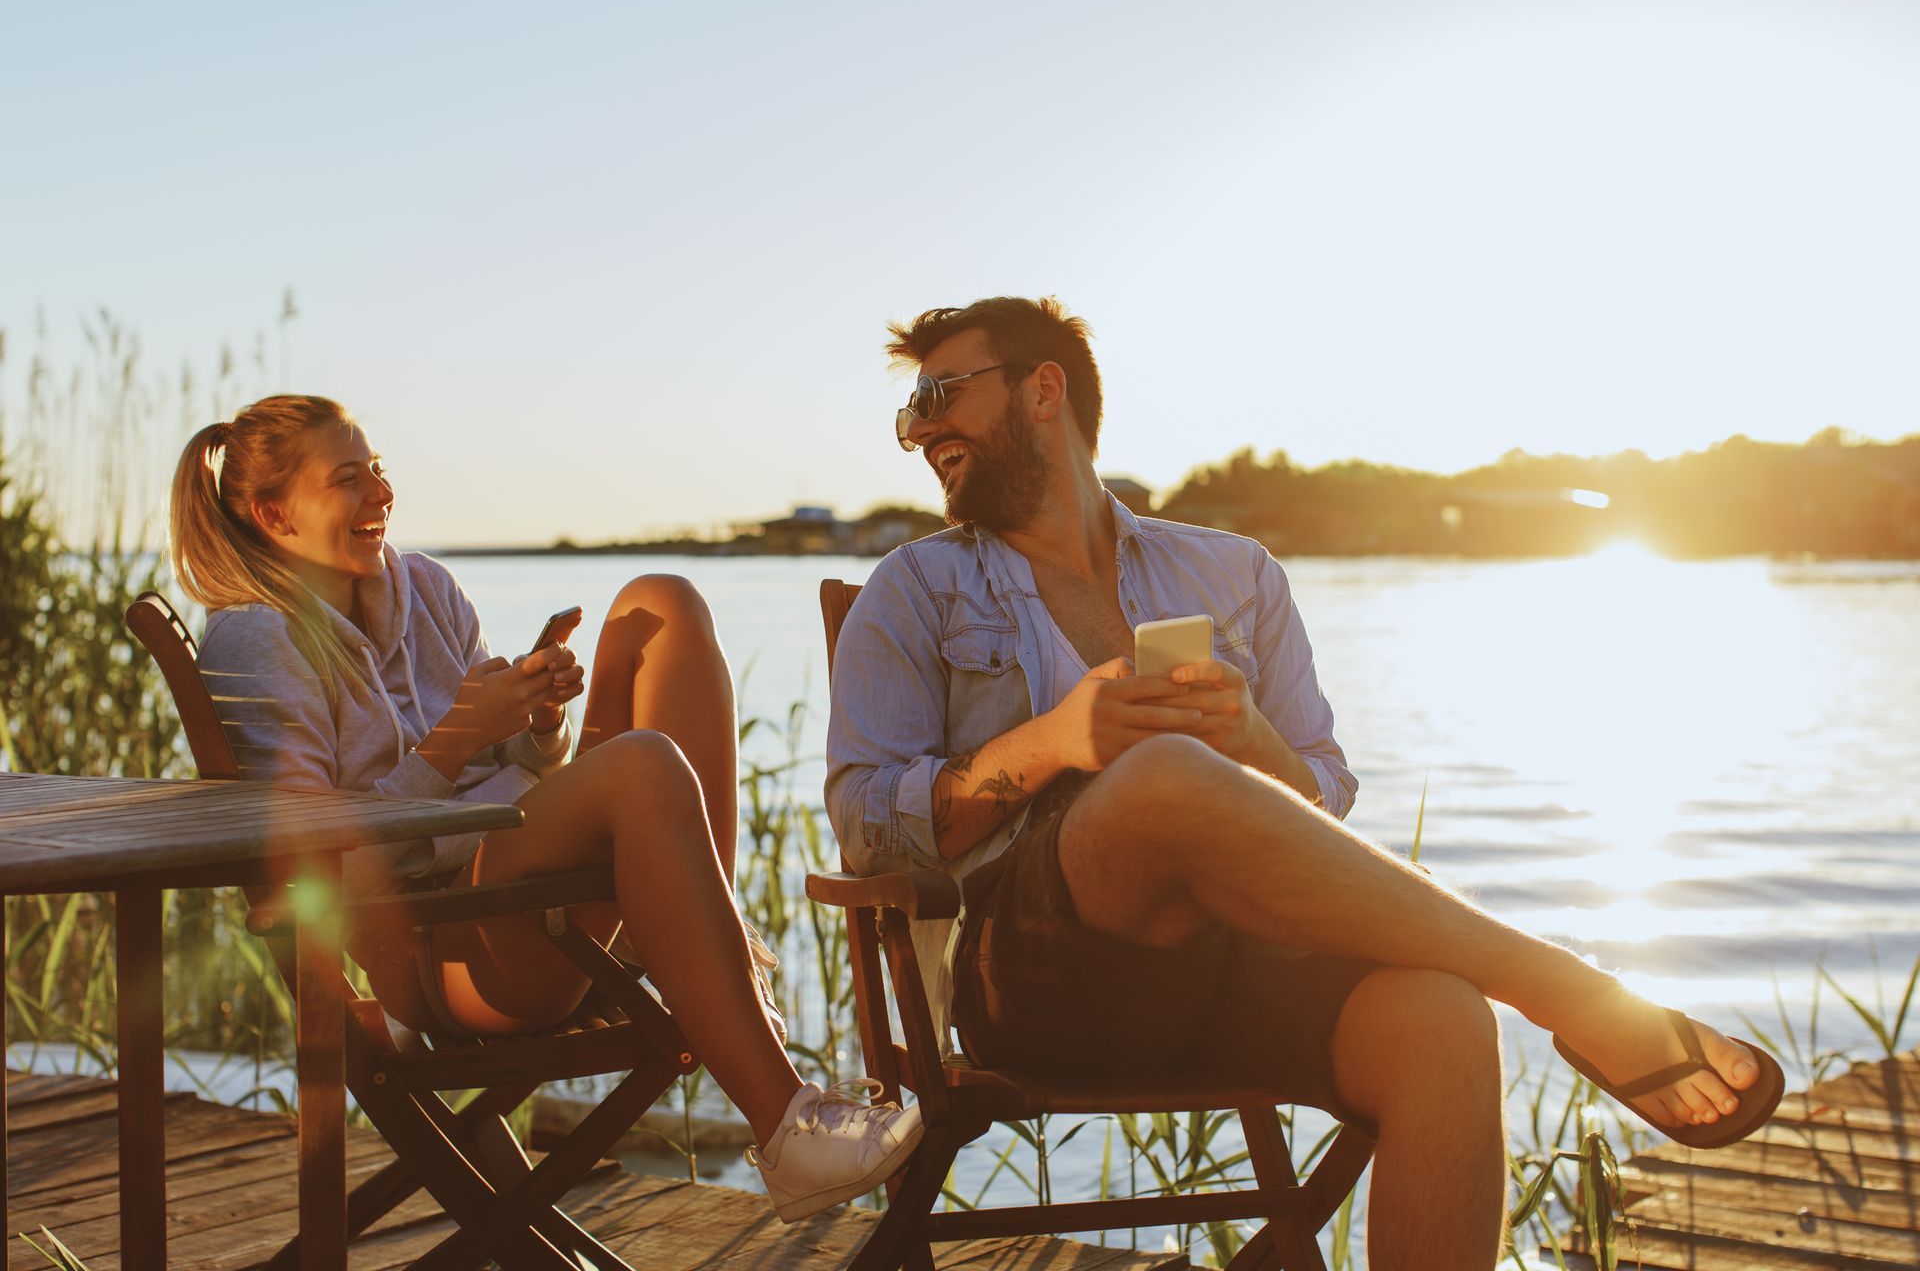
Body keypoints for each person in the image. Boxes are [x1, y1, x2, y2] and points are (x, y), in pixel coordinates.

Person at [824, 297, 1783, 1268]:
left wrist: (1251, 739)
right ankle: (1565, 987)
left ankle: (1538, 992)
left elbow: (1317, 803)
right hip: (1032, 985)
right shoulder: (916, 588)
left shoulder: (1233, 571)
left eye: (941, 394)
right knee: (1160, 773)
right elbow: (863, 828)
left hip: (1238, 969)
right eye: (909, 411)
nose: (921, 428)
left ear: (1042, 389)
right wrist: (1058, 740)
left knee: (1444, 1019)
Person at [169, 394, 921, 1222]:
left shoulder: (422, 588)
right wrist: (455, 740)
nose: (381, 494)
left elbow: (517, 767)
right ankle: (786, 1125)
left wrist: (536, 723)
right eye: (348, 480)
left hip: (540, 898)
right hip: (448, 956)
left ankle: (706, 948)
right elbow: (315, 868)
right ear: (274, 514)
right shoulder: (254, 643)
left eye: (377, 469)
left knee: (661, 603)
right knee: (640, 768)